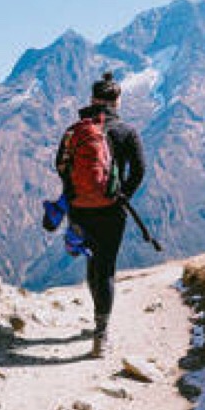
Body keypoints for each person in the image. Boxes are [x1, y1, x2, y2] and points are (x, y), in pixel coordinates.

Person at [55, 72, 146, 358]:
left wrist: (74, 192)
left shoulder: (74, 131)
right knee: (106, 268)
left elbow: (59, 165)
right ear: (117, 101)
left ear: (93, 99)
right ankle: (101, 334)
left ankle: (96, 321)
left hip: (80, 208)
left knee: (92, 262)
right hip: (112, 211)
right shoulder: (126, 131)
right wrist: (121, 196)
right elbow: (139, 170)